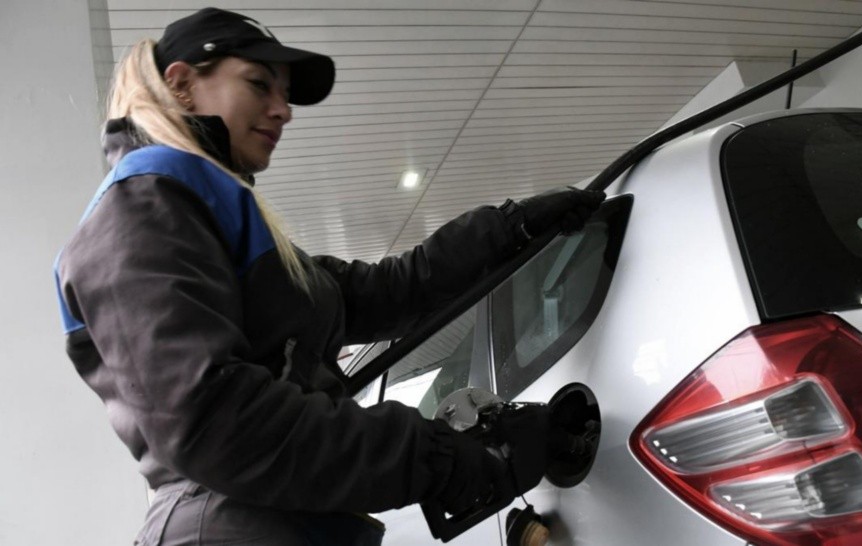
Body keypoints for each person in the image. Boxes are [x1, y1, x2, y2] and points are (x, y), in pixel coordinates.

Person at [53, 8, 605, 546]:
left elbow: (392, 289)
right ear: (180, 85)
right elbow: (217, 423)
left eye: (285, 94)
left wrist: (511, 228)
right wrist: (443, 456)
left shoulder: (216, 219)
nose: (283, 110)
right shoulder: (138, 210)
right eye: (259, 85)